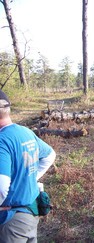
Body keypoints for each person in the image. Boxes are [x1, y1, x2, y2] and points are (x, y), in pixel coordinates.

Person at [0, 89, 56, 242]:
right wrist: (29, 178)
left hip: (12, 221)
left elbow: (1, 186)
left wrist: (27, 178)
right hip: (31, 215)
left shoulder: (2, 140)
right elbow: (50, 155)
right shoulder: (25, 132)